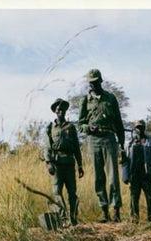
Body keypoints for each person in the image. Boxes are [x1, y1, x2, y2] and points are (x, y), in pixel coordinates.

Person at [78, 68, 127, 223]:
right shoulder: (84, 101)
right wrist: (87, 128)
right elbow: (80, 124)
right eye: (90, 83)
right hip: (93, 141)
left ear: (100, 81)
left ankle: (116, 212)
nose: (92, 85)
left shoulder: (110, 98)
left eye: (94, 82)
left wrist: (122, 145)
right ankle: (104, 211)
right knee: (99, 178)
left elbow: (119, 123)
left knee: (113, 177)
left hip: (109, 139)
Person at [41, 98, 84, 226]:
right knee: (57, 192)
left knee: (72, 193)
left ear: (65, 111)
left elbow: (77, 147)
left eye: (62, 109)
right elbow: (47, 147)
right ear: (54, 111)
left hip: (70, 163)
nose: (60, 111)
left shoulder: (71, 127)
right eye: (58, 109)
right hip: (57, 165)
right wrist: (49, 163)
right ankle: (64, 218)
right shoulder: (50, 128)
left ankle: (73, 218)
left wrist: (80, 165)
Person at [122, 119, 151, 223]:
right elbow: (124, 161)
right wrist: (125, 177)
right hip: (134, 176)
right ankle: (134, 220)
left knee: (150, 198)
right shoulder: (128, 143)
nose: (139, 129)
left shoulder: (150, 141)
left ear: (144, 128)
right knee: (134, 199)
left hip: (146, 175)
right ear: (134, 129)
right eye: (137, 127)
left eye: (141, 127)